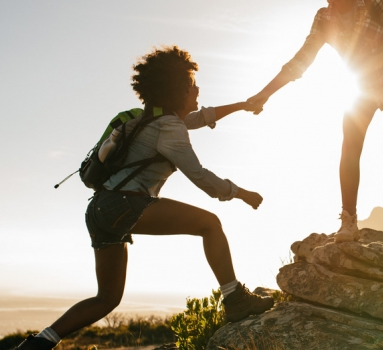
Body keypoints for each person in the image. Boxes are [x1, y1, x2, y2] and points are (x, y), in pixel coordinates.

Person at [15, 46, 273, 350]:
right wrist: (241, 193)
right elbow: (201, 177)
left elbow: (202, 117)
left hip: (99, 209)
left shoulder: (146, 120)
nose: (198, 89)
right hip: (124, 204)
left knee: (107, 298)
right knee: (210, 224)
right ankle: (235, 298)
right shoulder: (170, 127)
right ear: (177, 90)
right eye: (192, 85)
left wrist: (242, 105)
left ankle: (38, 344)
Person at [247, 0, 383, 250]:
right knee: (350, 149)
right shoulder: (324, 18)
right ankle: (349, 221)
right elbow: (302, 59)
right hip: (361, 88)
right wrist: (266, 93)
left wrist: (375, 61)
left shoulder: (374, 4)